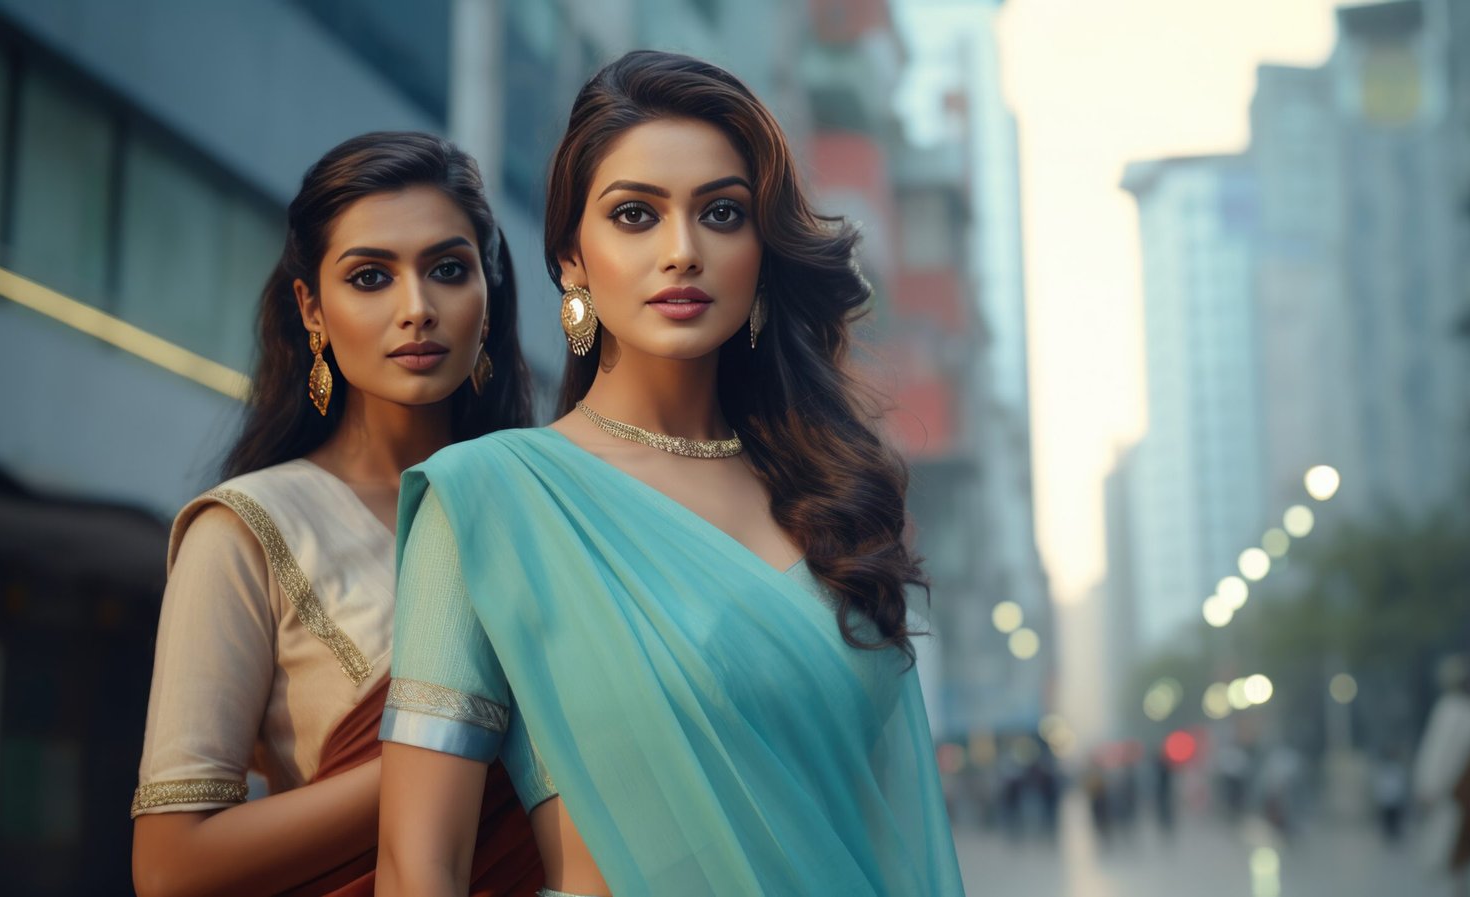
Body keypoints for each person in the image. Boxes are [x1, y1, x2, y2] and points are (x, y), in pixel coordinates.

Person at [375, 51, 965, 896]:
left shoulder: (829, 500)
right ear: (571, 259)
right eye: (635, 215)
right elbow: (417, 866)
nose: (682, 251)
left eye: (722, 213)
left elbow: (888, 824)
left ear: (761, 251)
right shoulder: (488, 501)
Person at [130, 132, 542, 897]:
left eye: (448, 270)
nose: (416, 309)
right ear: (312, 309)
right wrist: (449, 748)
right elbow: (169, 866)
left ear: (487, 297)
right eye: (370, 277)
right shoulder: (246, 530)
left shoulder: (544, 511)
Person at [1413, 656, 1470, 897]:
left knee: (1469, 838)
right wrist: (1429, 786)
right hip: (1452, 790)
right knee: (1450, 840)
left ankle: (1463, 884)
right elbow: (1437, 750)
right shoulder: (1448, 709)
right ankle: (1459, 885)